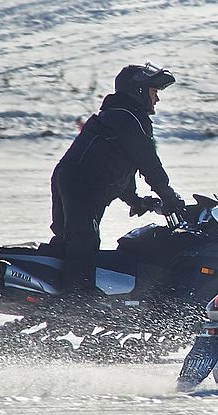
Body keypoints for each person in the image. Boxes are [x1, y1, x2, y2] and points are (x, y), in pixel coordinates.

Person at [48, 63, 188, 294]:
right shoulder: (128, 118)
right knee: (84, 241)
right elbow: (149, 164)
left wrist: (135, 200)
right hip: (82, 183)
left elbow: (120, 165)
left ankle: (49, 293)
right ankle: (74, 306)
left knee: (68, 241)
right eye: (154, 92)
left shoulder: (119, 116)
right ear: (139, 91)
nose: (157, 99)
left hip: (74, 179)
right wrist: (171, 199)